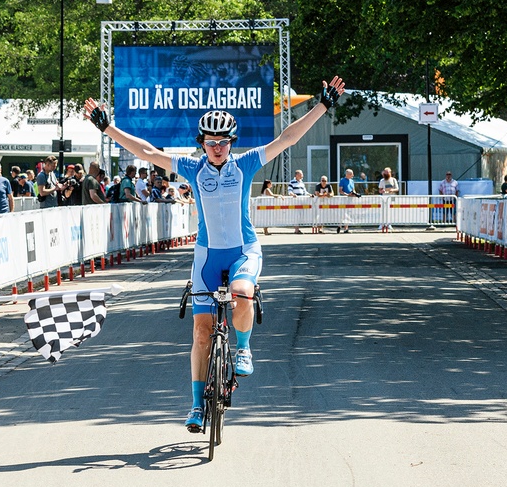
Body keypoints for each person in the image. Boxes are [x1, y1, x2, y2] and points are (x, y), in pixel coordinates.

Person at [84, 75, 346, 433]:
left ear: (231, 143)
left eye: (223, 142)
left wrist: (323, 105)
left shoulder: (246, 163)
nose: (218, 147)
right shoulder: (192, 168)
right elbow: (147, 152)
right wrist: (108, 127)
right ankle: (195, 406)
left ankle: (242, 348)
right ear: (202, 143)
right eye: (211, 142)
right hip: (207, 257)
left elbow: (288, 138)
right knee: (201, 333)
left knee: (241, 293)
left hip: (243, 250)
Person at [287, 169, 310, 234]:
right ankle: (296, 229)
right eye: (301, 174)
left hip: (302, 201)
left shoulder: (302, 183)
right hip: (295, 202)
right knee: (296, 215)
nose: (302, 175)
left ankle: (298, 228)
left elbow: (304, 192)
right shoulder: (292, 182)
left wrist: (310, 194)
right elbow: (289, 191)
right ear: (297, 175)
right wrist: (293, 195)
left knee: (300, 215)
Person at [337, 168, 358, 233]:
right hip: (344, 198)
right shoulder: (342, 180)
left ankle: (346, 228)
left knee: (349, 213)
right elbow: (340, 190)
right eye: (351, 174)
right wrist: (347, 194)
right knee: (343, 213)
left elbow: (353, 189)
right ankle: (339, 225)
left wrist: (354, 193)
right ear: (347, 174)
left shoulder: (352, 181)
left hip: (350, 199)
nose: (352, 175)